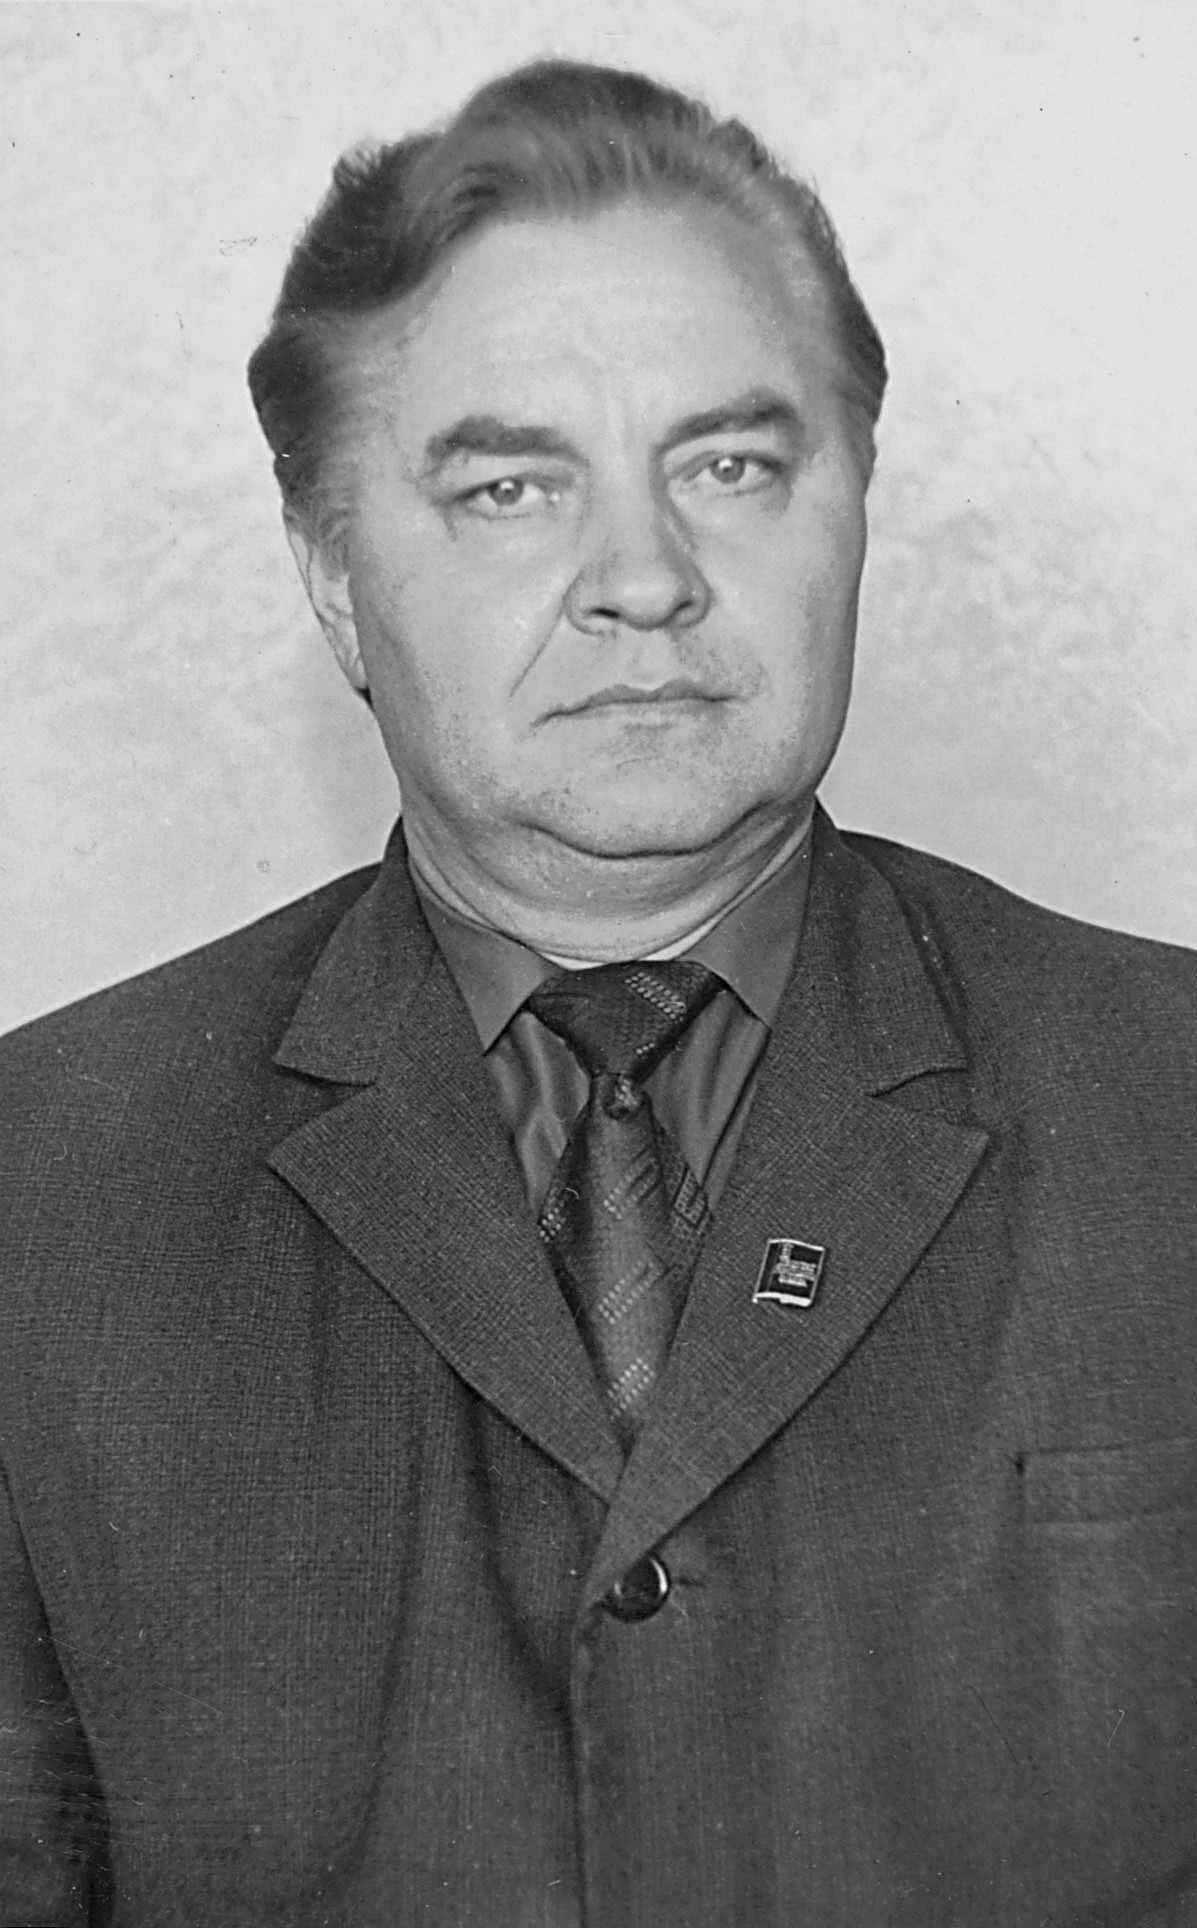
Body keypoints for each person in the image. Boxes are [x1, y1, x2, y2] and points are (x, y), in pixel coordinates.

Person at [0, 56, 1193, 1928]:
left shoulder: (1170, 1104)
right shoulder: (42, 1194)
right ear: (332, 577)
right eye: (509, 487)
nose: (644, 577)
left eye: (731, 467)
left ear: (856, 507)